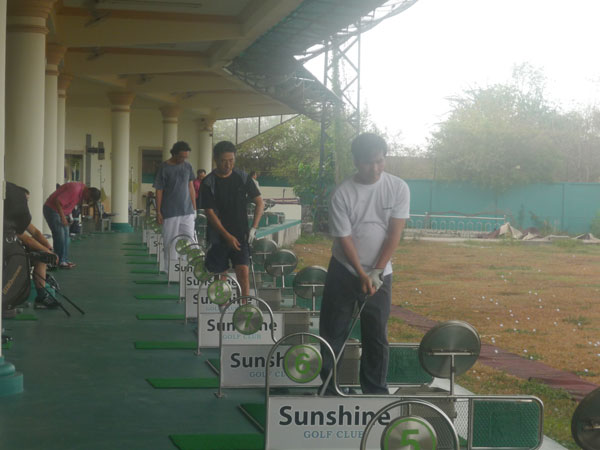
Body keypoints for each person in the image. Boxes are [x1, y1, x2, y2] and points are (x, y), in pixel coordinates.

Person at [319, 133, 410, 395]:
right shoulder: (342, 194)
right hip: (344, 271)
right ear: (356, 161)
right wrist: (361, 273)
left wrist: (377, 272)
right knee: (333, 332)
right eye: (369, 163)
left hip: (381, 273)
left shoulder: (398, 187)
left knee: (376, 335)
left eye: (380, 161)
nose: (376, 168)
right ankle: (329, 389)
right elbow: (344, 238)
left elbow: (394, 233)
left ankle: (374, 391)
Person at [201, 141, 264, 296]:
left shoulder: (242, 177)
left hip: (241, 234)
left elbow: (259, 202)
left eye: (231, 160)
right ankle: (222, 311)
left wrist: (254, 228)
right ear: (216, 159)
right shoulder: (208, 182)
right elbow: (209, 212)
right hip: (218, 237)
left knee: (243, 271)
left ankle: (245, 307)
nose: (228, 165)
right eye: (224, 161)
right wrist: (227, 236)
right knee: (220, 276)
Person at [5, 183, 59, 309]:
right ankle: (39, 294)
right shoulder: (8, 216)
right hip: (9, 254)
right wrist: (49, 253)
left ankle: (41, 292)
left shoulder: (19, 216)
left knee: (42, 257)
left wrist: (48, 247)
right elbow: (27, 239)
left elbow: (35, 232)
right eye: (25, 201)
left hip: (15, 250)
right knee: (42, 256)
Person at [153, 140, 197, 265]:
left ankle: (189, 267)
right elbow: (159, 190)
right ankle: (170, 269)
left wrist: (195, 208)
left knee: (189, 239)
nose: (183, 159)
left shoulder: (188, 166)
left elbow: (191, 187)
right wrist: (158, 212)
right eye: (181, 156)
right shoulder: (164, 167)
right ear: (174, 154)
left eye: (186, 157)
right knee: (170, 241)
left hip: (187, 211)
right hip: (170, 212)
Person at [43, 182, 101, 269]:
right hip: (53, 210)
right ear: (88, 192)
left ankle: (64, 260)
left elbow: (69, 204)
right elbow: (58, 201)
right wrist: (62, 217)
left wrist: (69, 217)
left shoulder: (81, 192)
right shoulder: (75, 190)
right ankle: (59, 261)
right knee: (60, 236)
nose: (87, 200)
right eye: (88, 198)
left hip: (62, 212)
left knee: (66, 237)